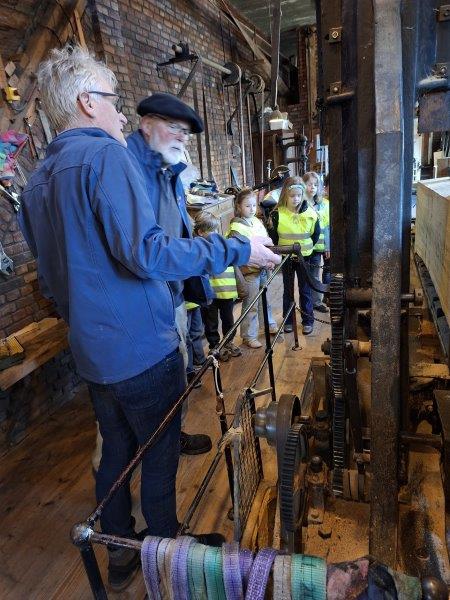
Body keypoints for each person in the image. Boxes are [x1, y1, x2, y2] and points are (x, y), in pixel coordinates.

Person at [18, 45, 280, 590]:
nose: (120, 114)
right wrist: (235, 249)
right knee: (159, 456)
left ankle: (120, 551)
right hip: (140, 348)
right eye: (113, 100)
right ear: (87, 102)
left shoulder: (38, 181)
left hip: (93, 353)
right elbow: (149, 252)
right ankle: (168, 553)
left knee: (115, 453)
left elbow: (52, 280)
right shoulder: (105, 155)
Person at [126, 92, 212, 456]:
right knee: (135, 391)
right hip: (142, 301)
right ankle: (123, 462)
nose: (181, 137)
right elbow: (147, 249)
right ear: (146, 125)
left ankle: (170, 438)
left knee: (175, 373)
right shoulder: (128, 170)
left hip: (170, 296)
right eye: (173, 127)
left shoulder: (168, 172)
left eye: (185, 132)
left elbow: (176, 232)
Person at [268, 176, 320, 335]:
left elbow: (315, 235)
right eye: (292, 196)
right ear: (285, 195)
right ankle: (288, 320)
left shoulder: (311, 213)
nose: (296, 199)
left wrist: (306, 248)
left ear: (303, 194)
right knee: (288, 290)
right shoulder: (277, 214)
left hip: (305, 257)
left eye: (299, 195)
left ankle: (308, 321)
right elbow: (274, 237)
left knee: (305, 289)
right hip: (287, 258)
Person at [228, 189, 278, 348]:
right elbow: (239, 252)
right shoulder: (236, 227)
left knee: (264, 299)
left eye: (254, 205)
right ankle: (248, 335)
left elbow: (265, 241)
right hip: (249, 271)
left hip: (262, 268)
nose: (252, 209)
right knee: (251, 304)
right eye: (247, 206)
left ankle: (268, 324)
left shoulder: (256, 221)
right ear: (239, 207)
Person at [194, 211, 242, 360]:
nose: (215, 233)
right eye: (211, 230)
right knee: (211, 322)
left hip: (226, 291)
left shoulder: (222, 245)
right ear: (200, 232)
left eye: (216, 229)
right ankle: (214, 346)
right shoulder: (197, 249)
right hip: (210, 294)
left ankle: (228, 343)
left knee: (228, 320)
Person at [303, 171, 330, 313]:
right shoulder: (300, 204)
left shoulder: (324, 204)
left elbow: (326, 227)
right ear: (303, 185)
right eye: (309, 184)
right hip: (306, 247)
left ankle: (317, 301)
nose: (312, 187)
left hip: (320, 246)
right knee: (308, 276)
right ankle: (310, 303)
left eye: (315, 184)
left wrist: (328, 245)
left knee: (319, 274)